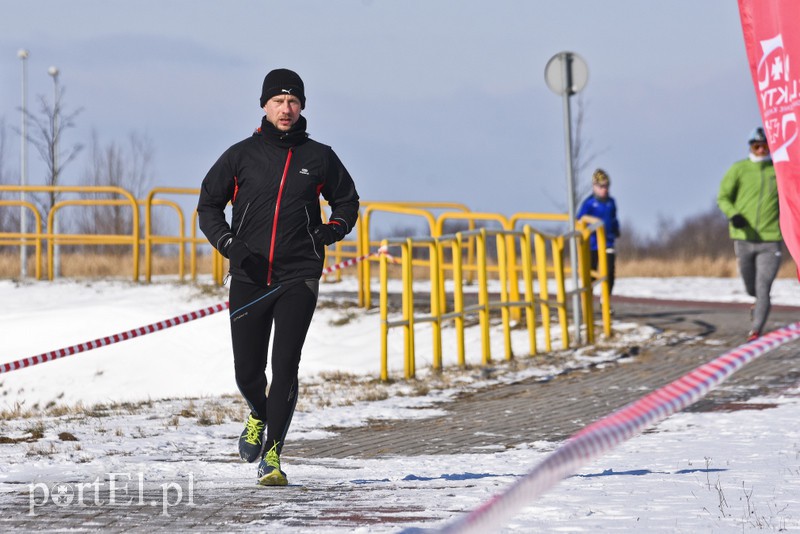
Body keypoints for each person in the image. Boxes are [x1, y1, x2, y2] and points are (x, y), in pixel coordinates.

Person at [197, 68, 360, 486]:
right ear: (264, 106)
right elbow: (208, 207)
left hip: (298, 276)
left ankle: (273, 454)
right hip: (250, 277)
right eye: (278, 101)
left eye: (293, 101)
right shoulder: (240, 156)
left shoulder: (319, 156)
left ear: (302, 106)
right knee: (247, 372)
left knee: (286, 364)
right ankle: (257, 411)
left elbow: (347, 200)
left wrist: (332, 230)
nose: (285, 109)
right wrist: (229, 245)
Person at [717, 127, 782, 342]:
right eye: (757, 146)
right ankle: (755, 302)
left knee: (764, 287)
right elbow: (723, 197)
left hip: (771, 239)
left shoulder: (779, 169)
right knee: (751, 286)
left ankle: (756, 331)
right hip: (744, 237)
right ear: (750, 147)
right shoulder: (739, 169)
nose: (761, 149)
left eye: (765, 146)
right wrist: (733, 214)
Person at [577, 168, 621, 295]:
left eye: (607, 186)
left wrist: (616, 229)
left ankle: (605, 300)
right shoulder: (589, 203)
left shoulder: (611, 202)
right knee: (591, 273)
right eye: (601, 186)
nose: (604, 189)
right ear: (594, 186)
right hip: (592, 244)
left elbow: (613, 218)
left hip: (607, 242)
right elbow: (580, 220)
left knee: (609, 272)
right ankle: (588, 300)